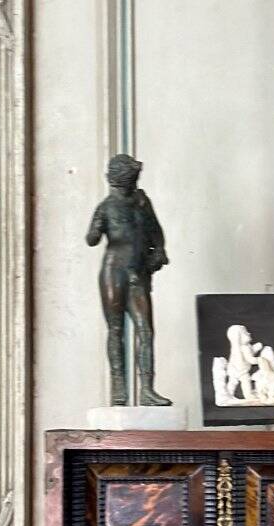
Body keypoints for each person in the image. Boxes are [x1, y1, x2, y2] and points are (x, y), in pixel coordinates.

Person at [86, 155, 172, 406]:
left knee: (145, 329)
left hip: (137, 272)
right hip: (114, 271)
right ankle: (119, 389)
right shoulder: (105, 207)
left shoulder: (142, 203)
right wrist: (97, 227)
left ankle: (147, 389)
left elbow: (157, 235)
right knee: (116, 329)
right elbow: (91, 239)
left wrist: (159, 252)